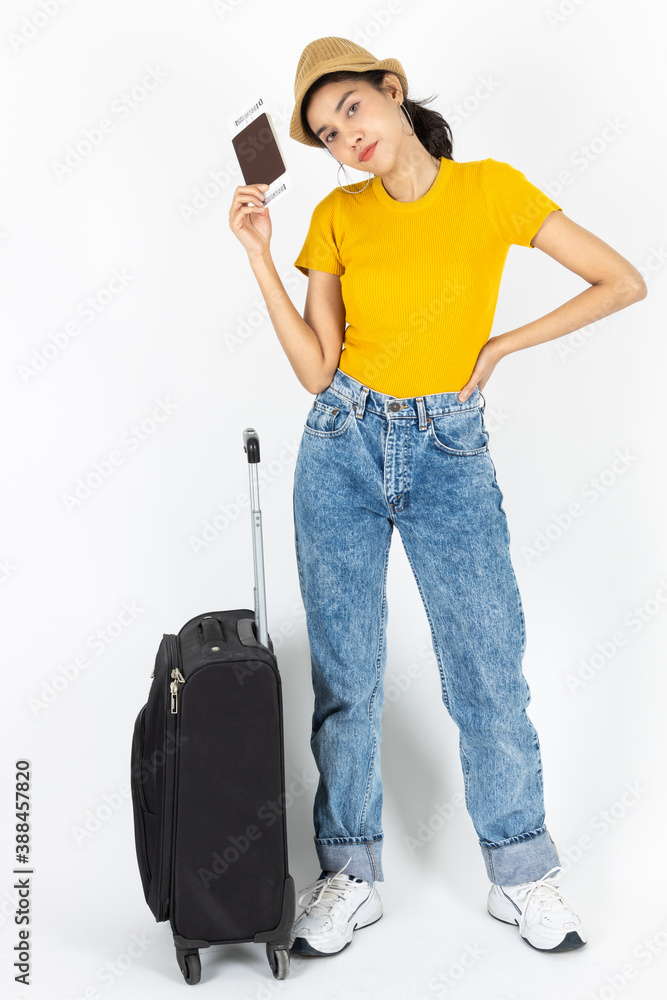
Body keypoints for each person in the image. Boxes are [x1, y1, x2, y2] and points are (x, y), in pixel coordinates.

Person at [229, 36, 647, 958]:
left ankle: (522, 873)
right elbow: (314, 370)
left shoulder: (490, 189)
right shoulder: (338, 217)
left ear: (391, 90)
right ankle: (350, 873)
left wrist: (497, 348)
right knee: (348, 676)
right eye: (326, 134)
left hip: (448, 449)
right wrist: (260, 256)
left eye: (350, 109)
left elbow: (621, 281)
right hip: (340, 439)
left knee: (485, 669)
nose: (345, 137)